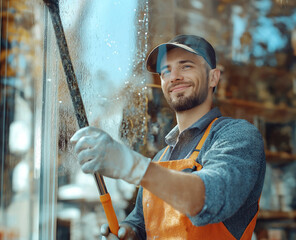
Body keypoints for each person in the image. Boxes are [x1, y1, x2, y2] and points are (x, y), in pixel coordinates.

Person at [71, 35, 266, 240]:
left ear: (213, 78)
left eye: (186, 66)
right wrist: (129, 231)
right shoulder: (161, 158)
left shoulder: (237, 136)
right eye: (166, 71)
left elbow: (210, 197)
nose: (174, 77)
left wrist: (133, 166)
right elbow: (141, 221)